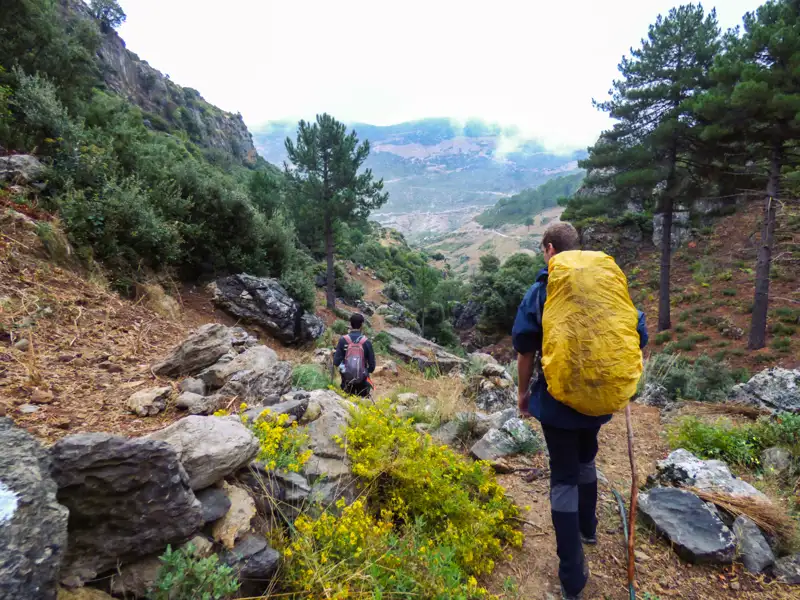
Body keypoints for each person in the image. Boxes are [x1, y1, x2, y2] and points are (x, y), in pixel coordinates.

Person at [512, 222, 648, 600]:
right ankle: (589, 527)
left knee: (563, 479)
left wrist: (523, 394)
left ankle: (572, 576)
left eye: (543, 251)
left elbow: (524, 348)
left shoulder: (543, 290)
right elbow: (638, 332)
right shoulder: (607, 282)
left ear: (550, 249)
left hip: (557, 400)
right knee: (587, 458)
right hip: (599, 397)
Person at [333, 313, 376, 397]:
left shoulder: (343, 340)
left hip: (346, 382)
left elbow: (336, 362)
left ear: (350, 324)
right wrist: (363, 371)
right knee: (362, 403)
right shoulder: (366, 342)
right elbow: (372, 367)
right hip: (363, 384)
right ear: (362, 325)